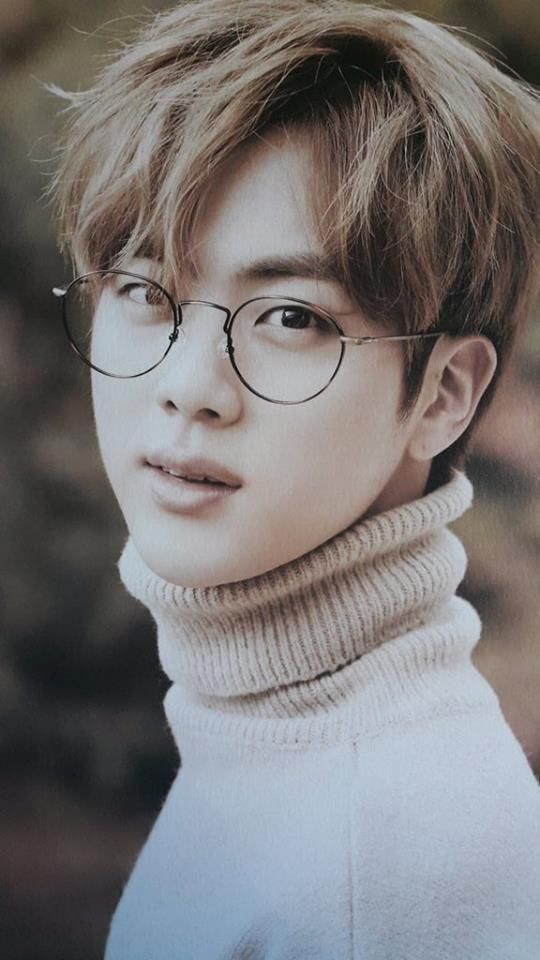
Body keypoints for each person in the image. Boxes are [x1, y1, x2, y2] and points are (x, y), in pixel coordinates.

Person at [49, 0, 540, 956]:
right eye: (145, 291)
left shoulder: (391, 856)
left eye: (290, 317)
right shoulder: (286, 747)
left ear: (444, 394)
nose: (189, 388)